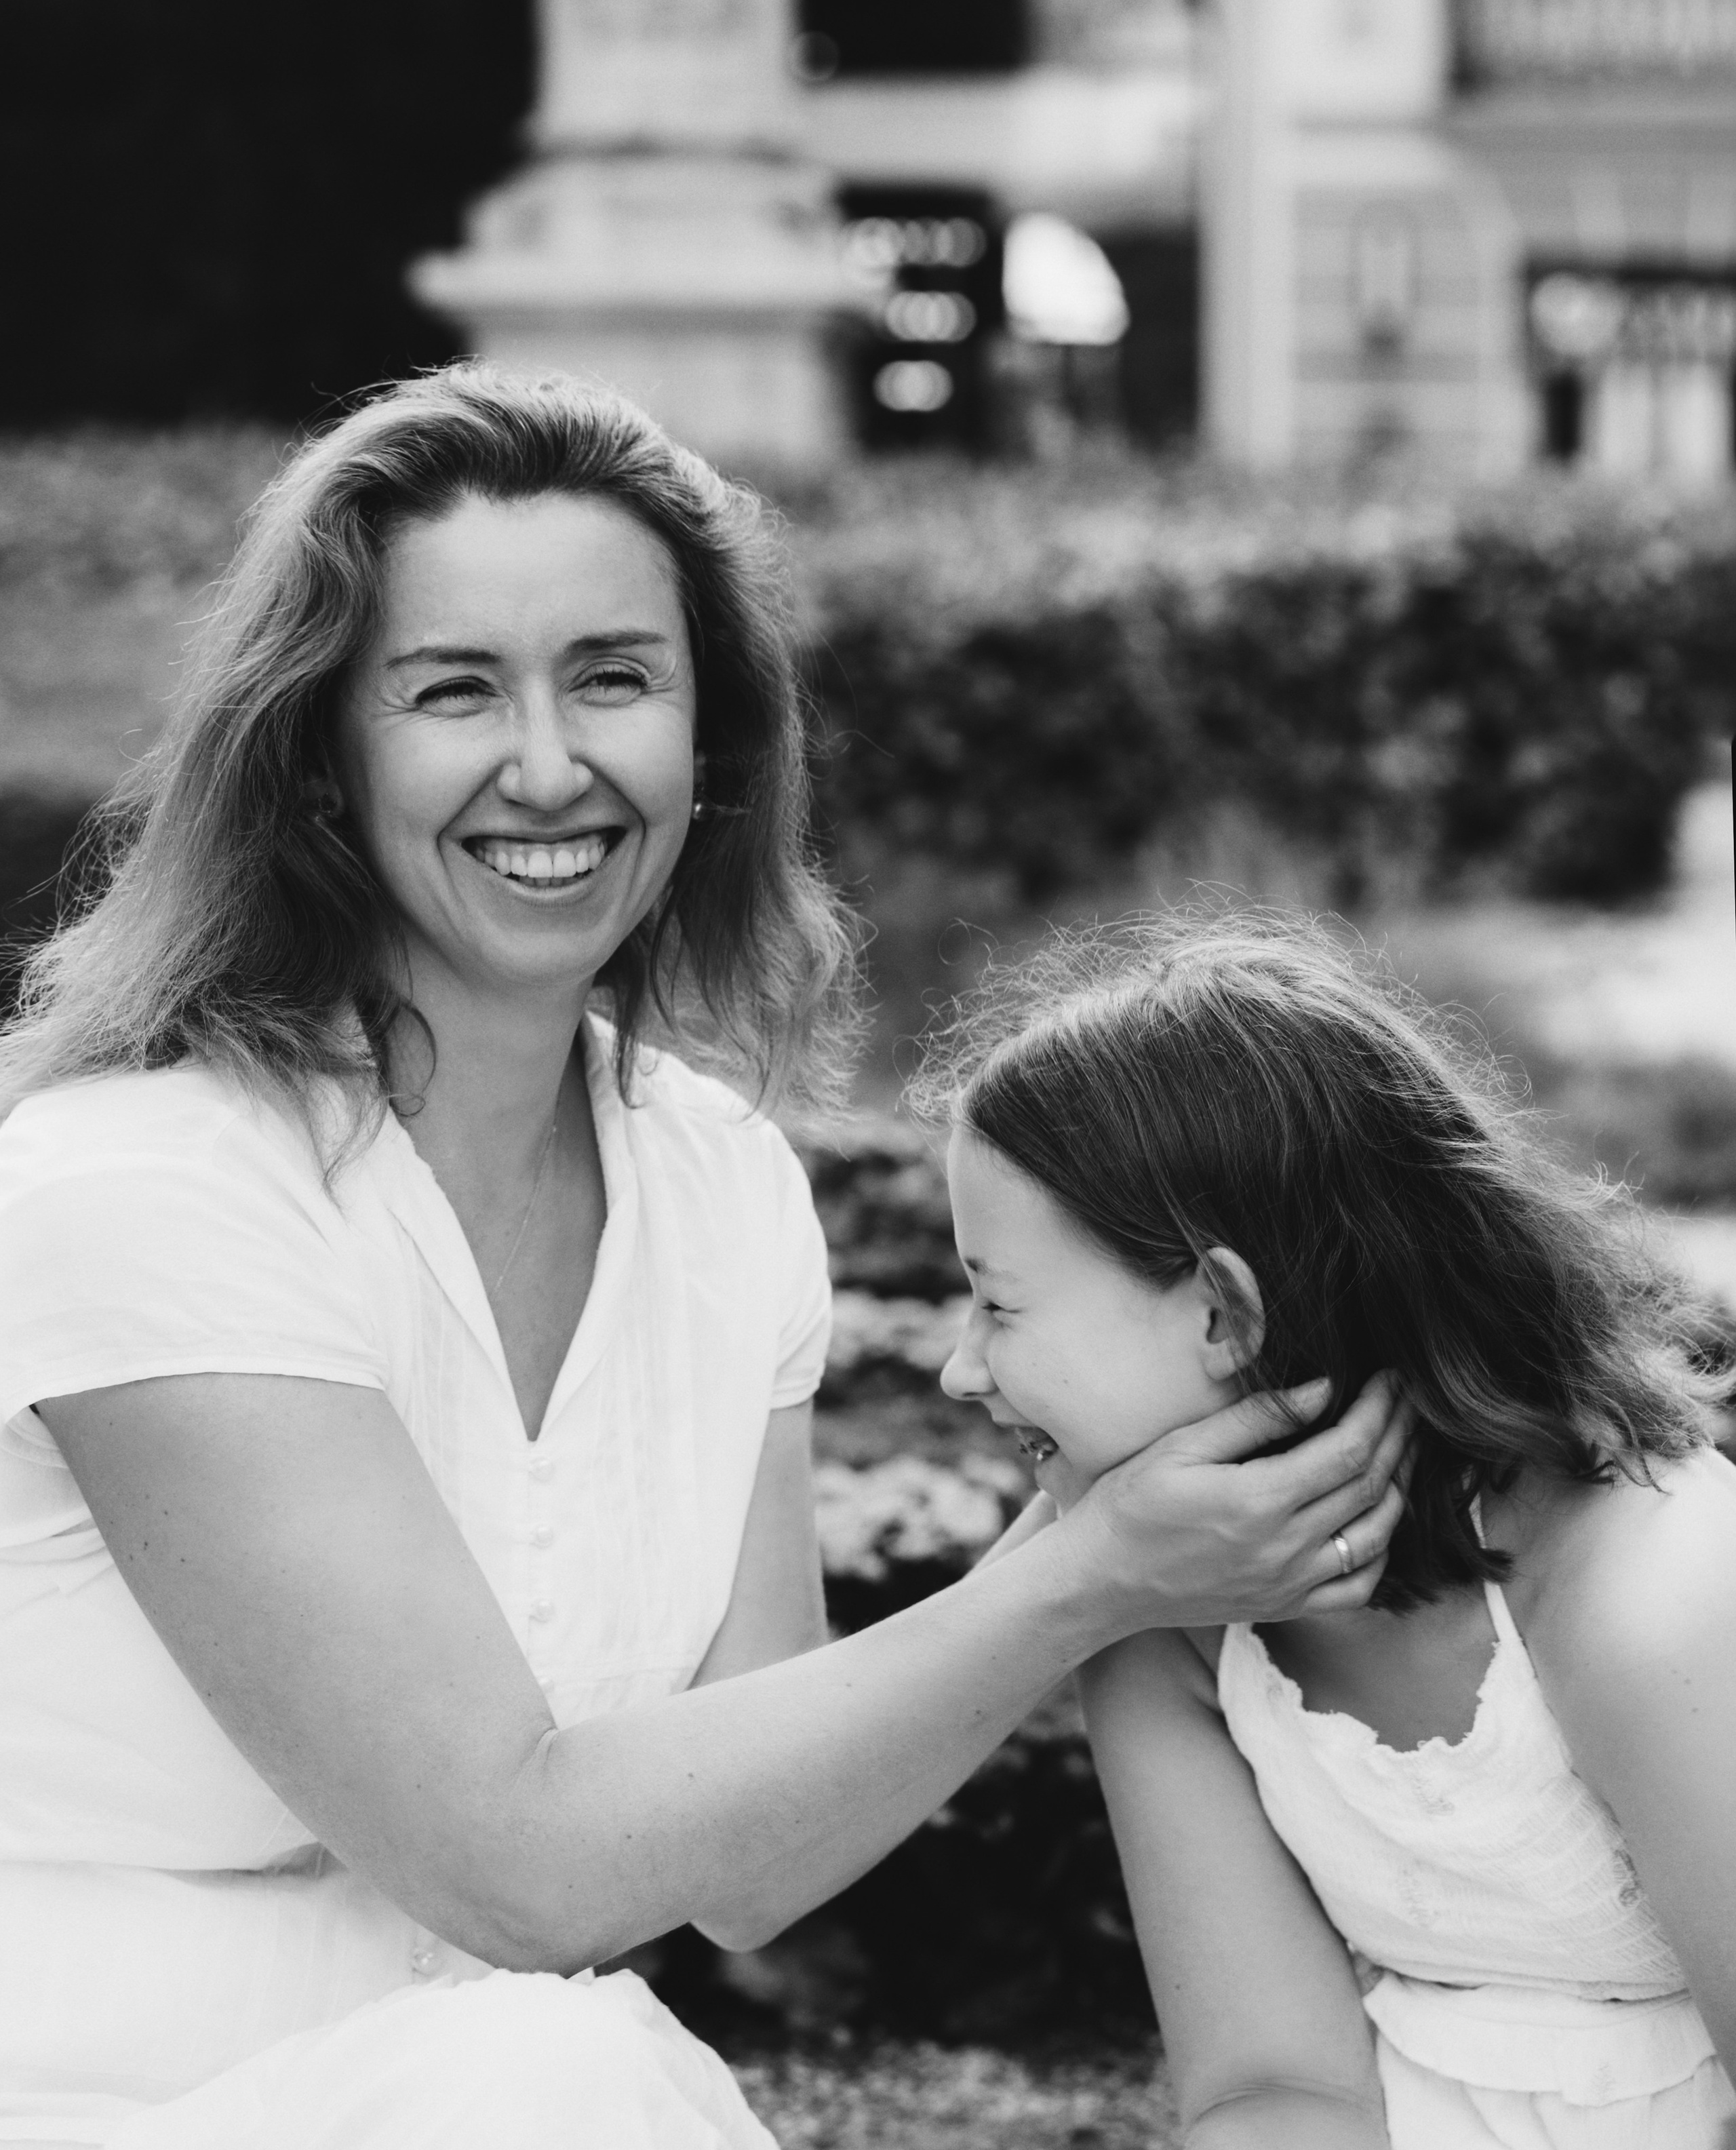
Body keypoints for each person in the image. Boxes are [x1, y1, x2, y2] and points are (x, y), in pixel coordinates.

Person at [0, 366, 1409, 2149]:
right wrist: (1076, 1585)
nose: (550, 764)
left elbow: (756, 1872)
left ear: (708, 741)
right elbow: (515, 1872)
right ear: (323, 763)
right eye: (454, 692)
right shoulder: (146, 1188)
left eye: (615, 679)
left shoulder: (721, 1181)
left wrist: (1105, 1521)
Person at [917, 903, 1736, 2149]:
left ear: (1223, 1314)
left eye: (999, 1305)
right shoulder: (1156, 1615)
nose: (958, 1372)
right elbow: (1270, 2087)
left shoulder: (1646, 1599)